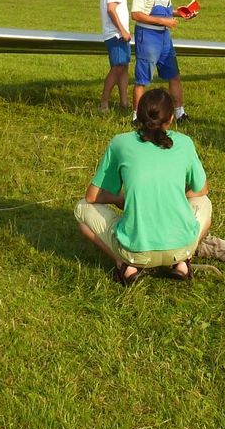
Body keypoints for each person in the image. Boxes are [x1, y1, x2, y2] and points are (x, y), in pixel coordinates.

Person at [74, 88, 212, 285]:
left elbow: (91, 196)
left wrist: (120, 199)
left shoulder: (120, 143)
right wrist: (172, 196)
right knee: (204, 202)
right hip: (181, 247)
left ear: (138, 115)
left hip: (134, 251)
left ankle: (124, 265)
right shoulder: (184, 143)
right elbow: (202, 189)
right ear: (171, 118)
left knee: (81, 209)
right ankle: (183, 262)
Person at [130, 0, 191, 124]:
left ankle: (179, 113)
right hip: (148, 36)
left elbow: (164, 10)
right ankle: (136, 116)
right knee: (142, 79)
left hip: (164, 37)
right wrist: (163, 21)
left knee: (174, 75)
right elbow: (136, 14)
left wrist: (180, 12)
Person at [99, 0, 131, 112]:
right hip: (116, 35)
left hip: (119, 34)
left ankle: (124, 102)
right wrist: (122, 30)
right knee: (117, 68)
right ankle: (104, 103)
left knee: (123, 67)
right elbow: (111, 9)